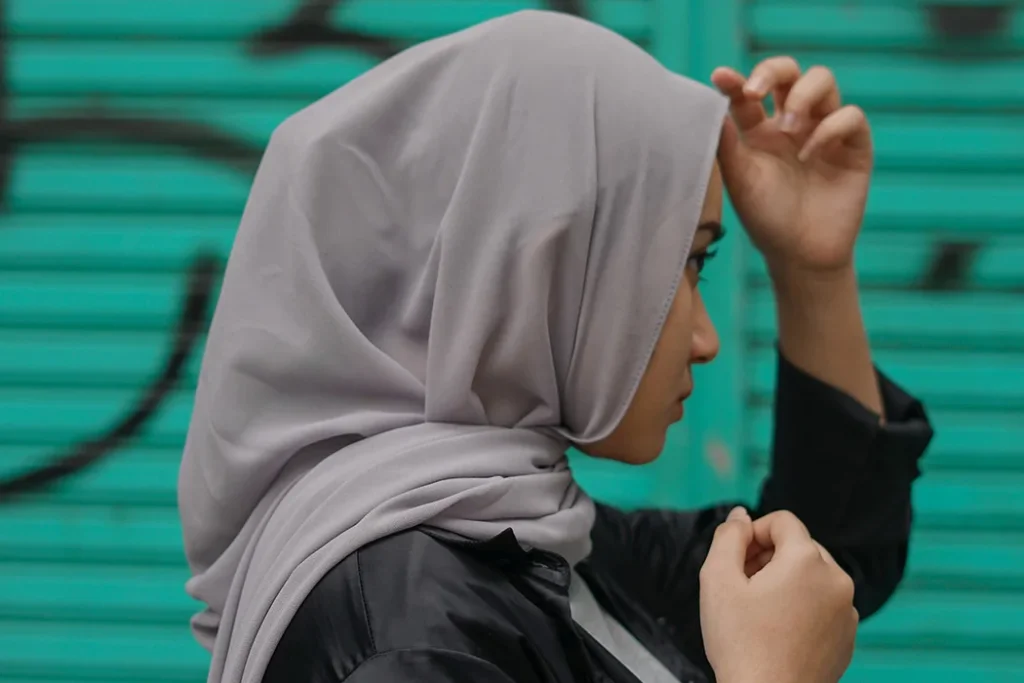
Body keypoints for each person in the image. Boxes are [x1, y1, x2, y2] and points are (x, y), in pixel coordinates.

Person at [177, 11, 933, 683]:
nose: (706, 340)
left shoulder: (532, 537)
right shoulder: (409, 641)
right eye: (687, 264)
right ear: (540, 267)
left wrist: (812, 271)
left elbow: (820, 566)